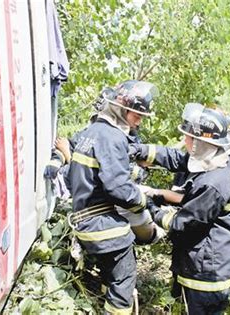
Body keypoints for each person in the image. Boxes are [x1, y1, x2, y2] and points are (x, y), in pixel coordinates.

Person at [131, 103, 230, 314]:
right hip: (205, 266)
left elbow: (182, 224)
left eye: (189, 137)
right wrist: (143, 150)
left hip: (206, 276)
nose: (184, 141)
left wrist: (152, 206)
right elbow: (174, 158)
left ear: (201, 143)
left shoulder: (212, 183)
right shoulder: (211, 164)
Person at [65, 80, 158, 314]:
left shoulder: (89, 133)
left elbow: (70, 178)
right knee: (124, 281)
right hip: (105, 228)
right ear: (121, 109)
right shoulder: (113, 137)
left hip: (84, 222)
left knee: (110, 275)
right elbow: (119, 190)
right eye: (136, 114)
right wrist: (145, 199)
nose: (139, 120)